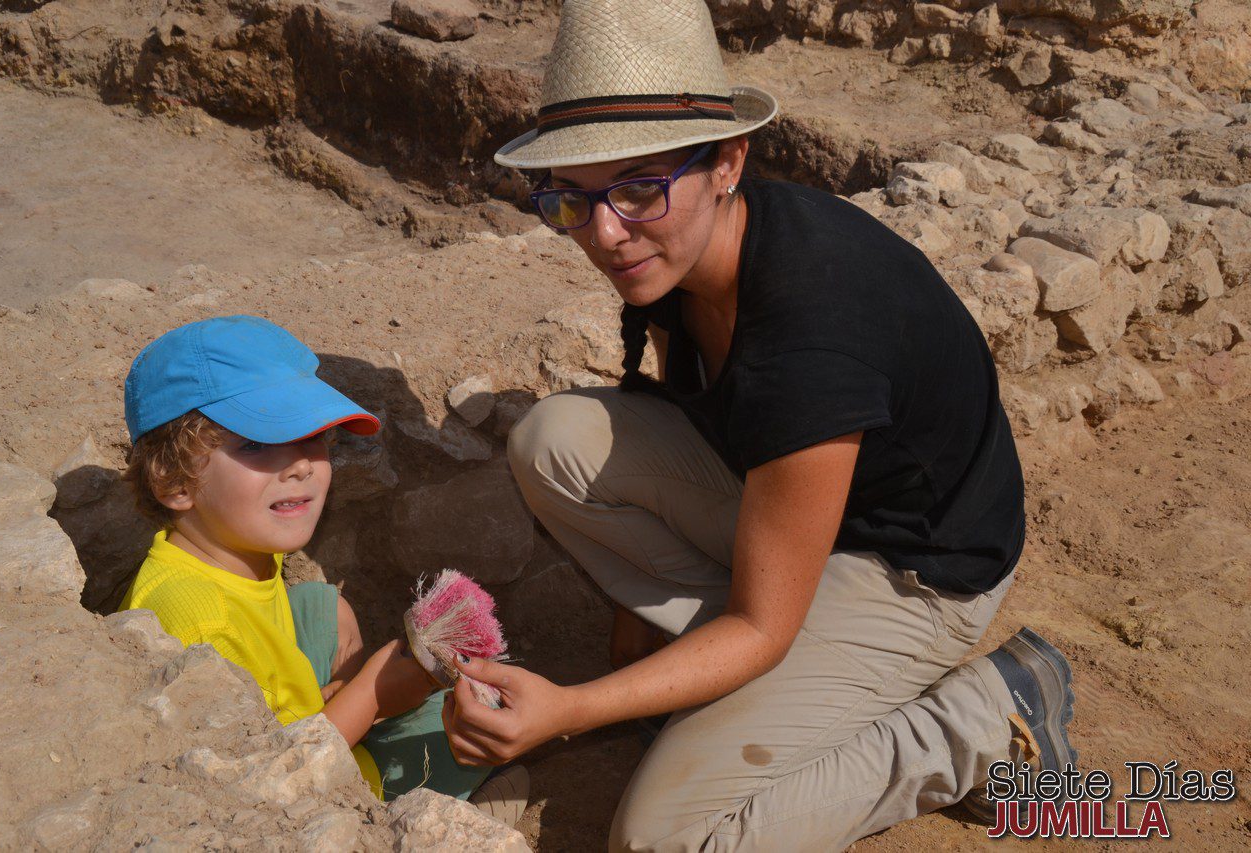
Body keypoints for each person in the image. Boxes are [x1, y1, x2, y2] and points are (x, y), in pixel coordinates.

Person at [440, 1, 1077, 850]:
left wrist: (574, 708)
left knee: (665, 837)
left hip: (916, 572)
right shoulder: (679, 253)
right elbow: (701, 415)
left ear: (729, 160)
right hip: (804, 522)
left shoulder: (812, 327)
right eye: (572, 198)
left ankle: (982, 723)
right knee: (551, 443)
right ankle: (754, 684)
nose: (604, 233)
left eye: (638, 188)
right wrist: (638, 623)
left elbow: (762, 626)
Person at [118, 315, 526, 820]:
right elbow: (265, 780)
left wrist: (349, 696)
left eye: (311, 437)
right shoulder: (199, 625)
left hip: (288, 715)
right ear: (173, 482)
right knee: (478, 726)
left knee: (319, 604)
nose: (301, 465)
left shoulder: (230, 544)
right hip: (292, 781)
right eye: (255, 444)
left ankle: (347, 716)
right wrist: (371, 699)